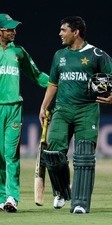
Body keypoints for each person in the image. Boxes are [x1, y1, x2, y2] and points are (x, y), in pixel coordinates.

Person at [0, 13, 49, 213]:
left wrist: (57, 82)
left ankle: (11, 197)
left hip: (14, 108)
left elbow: (37, 75)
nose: (14, 31)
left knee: (11, 155)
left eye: (14, 28)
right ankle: (0, 198)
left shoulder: (19, 52)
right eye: (9, 29)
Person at [39, 16, 112, 214]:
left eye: (63, 30)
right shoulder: (59, 55)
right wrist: (44, 106)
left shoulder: (97, 54)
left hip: (87, 110)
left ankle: (80, 203)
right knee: (53, 152)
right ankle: (62, 191)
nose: (60, 33)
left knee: (84, 156)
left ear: (76, 32)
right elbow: (53, 83)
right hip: (62, 109)